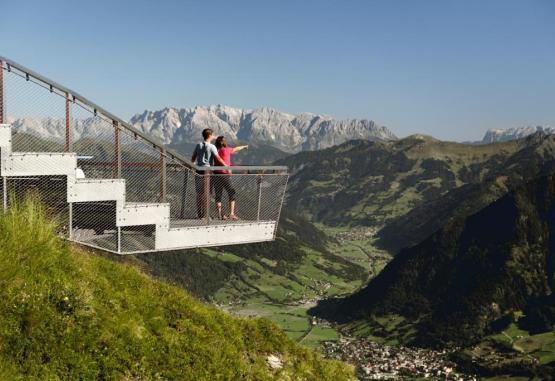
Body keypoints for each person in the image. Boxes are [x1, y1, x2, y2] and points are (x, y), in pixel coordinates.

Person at [191, 128, 227, 219]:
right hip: (208, 172)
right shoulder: (212, 147)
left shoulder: (198, 145)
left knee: (199, 193)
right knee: (207, 193)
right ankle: (206, 215)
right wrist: (226, 167)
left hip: (198, 171)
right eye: (213, 135)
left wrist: (193, 164)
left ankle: (199, 214)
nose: (214, 136)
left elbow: (193, 157)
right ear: (210, 135)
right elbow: (218, 158)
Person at [214, 136, 248, 220]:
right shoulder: (226, 150)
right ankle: (231, 214)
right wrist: (244, 146)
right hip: (224, 175)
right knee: (231, 192)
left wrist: (233, 166)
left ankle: (221, 215)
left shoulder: (216, 151)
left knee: (218, 195)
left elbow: (222, 163)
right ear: (224, 143)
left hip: (216, 175)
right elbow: (236, 149)